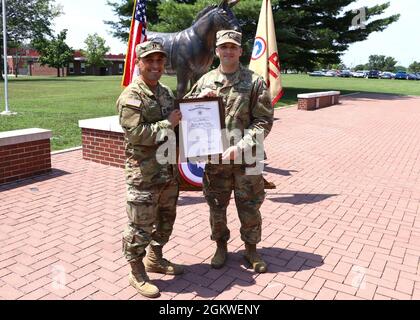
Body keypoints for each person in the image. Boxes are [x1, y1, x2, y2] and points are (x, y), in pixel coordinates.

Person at [186, 30, 274, 273]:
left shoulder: (254, 81)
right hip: (216, 159)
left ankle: (251, 248)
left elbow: (263, 121)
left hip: (247, 158)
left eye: (233, 47)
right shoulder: (205, 80)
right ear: (216, 51)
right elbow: (187, 112)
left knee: (250, 205)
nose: (228, 51)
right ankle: (221, 245)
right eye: (223, 47)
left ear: (240, 51)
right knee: (217, 204)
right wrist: (199, 98)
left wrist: (240, 147)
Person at [116, 40, 183, 298]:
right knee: (139, 227)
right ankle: (136, 272)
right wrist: (167, 123)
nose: (156, 65)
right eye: (150, 61)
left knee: (166, 221)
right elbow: (136, 134)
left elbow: (181, 113)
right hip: (143, 175)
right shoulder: (131, 96)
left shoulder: (165, 91)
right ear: (139, 63)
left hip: (167, 172)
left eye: (160, 60)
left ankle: (155, 259)